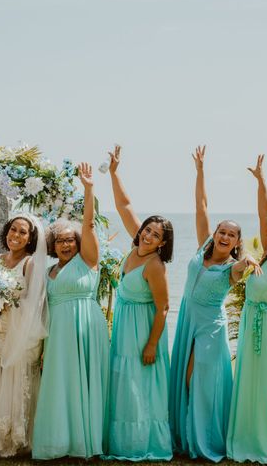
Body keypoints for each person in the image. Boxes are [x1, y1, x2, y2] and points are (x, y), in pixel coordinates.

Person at [169, 146, 260, 462]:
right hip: (187, 323)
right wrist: (200, 171)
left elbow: (244, 266)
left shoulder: (230, 269)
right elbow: (201, 206)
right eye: (222, 231)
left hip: (210, 329)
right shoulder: (200, 251)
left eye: (231, 235)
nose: (224, 236)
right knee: (184, 379)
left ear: (236, 242)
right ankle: (185, 438)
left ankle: (205, 442)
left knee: (202, 381)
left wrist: (247, 259)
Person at [32, 163, 110, 460]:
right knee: (59, 385)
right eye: (60, 240)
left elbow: (88, 225)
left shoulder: (87, 261)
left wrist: (89, 189)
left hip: (85, 329)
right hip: (57, 335)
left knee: (85, 383)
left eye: (70, 239)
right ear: (52, 245)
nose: (65, 243)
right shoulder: (49, 270)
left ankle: (84, 442)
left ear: (78, 244)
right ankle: (59, 441)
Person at [105, 145, 173, 461]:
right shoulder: (136, 245)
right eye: (147, 230)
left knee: (139, 385)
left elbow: (162, 308)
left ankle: (140, 443)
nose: (148, 236)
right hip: (124, 324)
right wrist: (115, 172)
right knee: (123, 381)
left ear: (163, 242)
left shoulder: (155, 265)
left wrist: (151, 345)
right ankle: (119, 440)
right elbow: (124, 205)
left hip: (144, 328)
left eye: (156, 235)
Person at [226, 155, 267, 464]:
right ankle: (251, 437)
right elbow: (265, 213)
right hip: (254, 328)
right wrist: (261, 179)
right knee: (253, 386)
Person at [0, 213, 47, 457]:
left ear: (31, 238)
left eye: (23, 232)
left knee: (15, 381)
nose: (16, 235)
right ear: (7, 231)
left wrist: (6, 300)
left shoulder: (31, 263)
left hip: (19, 331)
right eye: (14, 229)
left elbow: (35, 301)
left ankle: (14, 438)